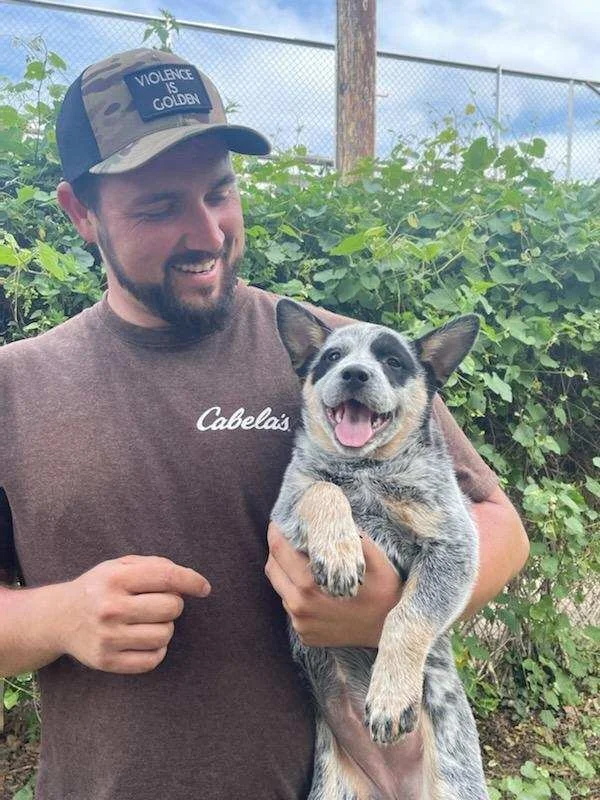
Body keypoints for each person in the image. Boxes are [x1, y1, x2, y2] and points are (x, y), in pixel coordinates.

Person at [0, 48, 529, 800]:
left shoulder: (340, 357)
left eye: (220, 192)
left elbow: (499, 527)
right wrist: (56, 617)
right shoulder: (15, 389)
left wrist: (387, 616)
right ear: (80, 212)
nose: (207, 233)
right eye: (159, 207)